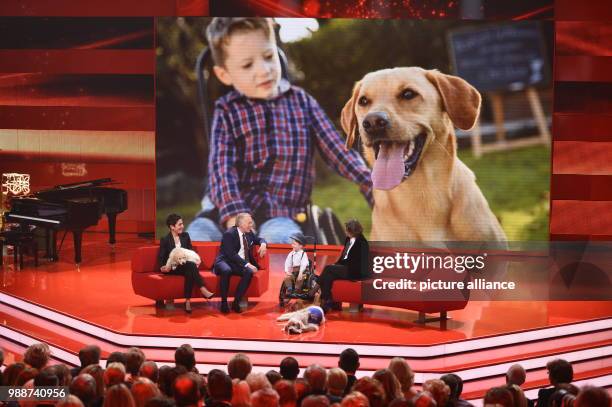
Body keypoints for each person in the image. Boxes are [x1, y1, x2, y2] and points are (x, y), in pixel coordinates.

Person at [186, 17, 373, 244]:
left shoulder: (302, 102)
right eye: (247, 65)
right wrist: (235, 216)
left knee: (278, 243)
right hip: (224, 211)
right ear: (225, 75)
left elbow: (337, 150)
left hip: (281, 212)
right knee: (195, 240)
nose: (264, 70)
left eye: (268, 57)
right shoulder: (226, 110)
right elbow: (221, 170)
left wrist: (370, 181)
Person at [158, 213, 214, 313]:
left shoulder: (185, 236)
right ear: (172, 227)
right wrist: (163, 267)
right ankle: (202, 289)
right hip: (172, 267)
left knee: (190, 269)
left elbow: (190, 252)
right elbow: (161, 258)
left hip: (185, 265)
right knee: (191, 267)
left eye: (182, 224)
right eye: (179, 224)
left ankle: (187, 301)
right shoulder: (165, 240)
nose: (182, 226)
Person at [213, 212, 267, 314]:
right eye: (249, 223)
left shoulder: (249, 233)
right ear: (241, 224)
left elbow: (259, 239)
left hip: (238, 263)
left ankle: (236, 302)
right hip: (225, 261)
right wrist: (247, 264)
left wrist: (263, 243)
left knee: (249, 272)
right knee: (226, 270)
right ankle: (224, 303)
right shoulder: (229, 234)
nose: (251, 225)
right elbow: (231, 254)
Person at [319, 219, 369, 312]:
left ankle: (323, 295)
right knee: (329, 275)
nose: (345, 231)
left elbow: (359, 262)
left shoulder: (362, 242)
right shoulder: (348, 239)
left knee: (328, 269)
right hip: (347, 268)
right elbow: (344, 257)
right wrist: (336, 265)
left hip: (356, 271)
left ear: (352, 231)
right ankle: (331, 302)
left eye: (347, 230)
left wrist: (338, 267)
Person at [280, 232, 310, 306]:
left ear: (300, 246)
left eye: (294, 244)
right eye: (292, 243)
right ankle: (290, 290)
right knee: (287, 278)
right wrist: (287, 271)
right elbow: (287, 263)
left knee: (301, 278)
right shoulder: (291, 254)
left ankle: (297, 290)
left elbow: (304, 264)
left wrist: (300, 273)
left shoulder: (303, 254)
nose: (292, 245)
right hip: (294, 272)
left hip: (303, 271)